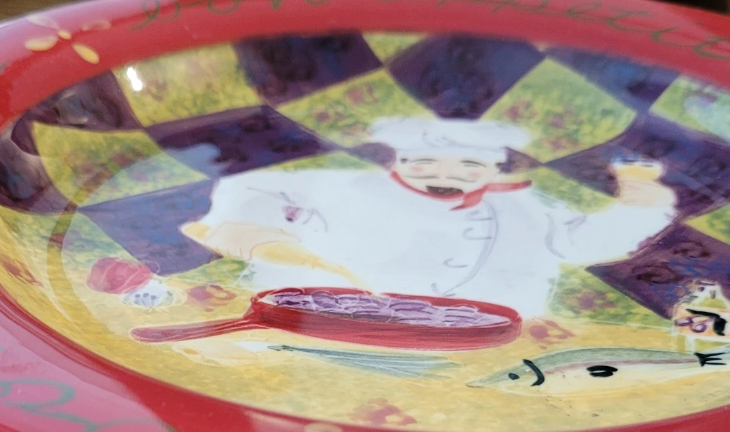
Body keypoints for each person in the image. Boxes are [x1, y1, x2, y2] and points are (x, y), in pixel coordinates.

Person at [179, 117, 677, 321]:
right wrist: (252, 228)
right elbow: (251, 184)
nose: (445, 175)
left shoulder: (525, 206)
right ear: (397, 161)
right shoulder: (347, 185)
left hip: (479, 331)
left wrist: (642, 202)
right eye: (423, 164)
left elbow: (585, 239)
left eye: (469, 166)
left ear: (496, 169)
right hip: (321, 315)